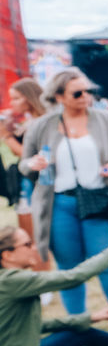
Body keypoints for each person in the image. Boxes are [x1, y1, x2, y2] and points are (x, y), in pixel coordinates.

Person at [20, 69, 108, 336]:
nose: (86, 96)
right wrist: (33, 164)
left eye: (89, 91)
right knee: (68, 270)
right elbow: (24, 164)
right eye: (78, 92)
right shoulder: (42, 126)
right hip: (60, 205)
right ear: (59, 96)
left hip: (99, 203)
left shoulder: (106, 119)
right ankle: (77, 325)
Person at [3, 78, 47, 250]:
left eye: (16, 98)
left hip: (35, 184)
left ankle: (41, 274)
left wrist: (6, 135)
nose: (12, 103)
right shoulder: (30, 121)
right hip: (26, 182)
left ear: (29, 98)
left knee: (34, 242)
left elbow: (27, 154)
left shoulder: (42, 122)